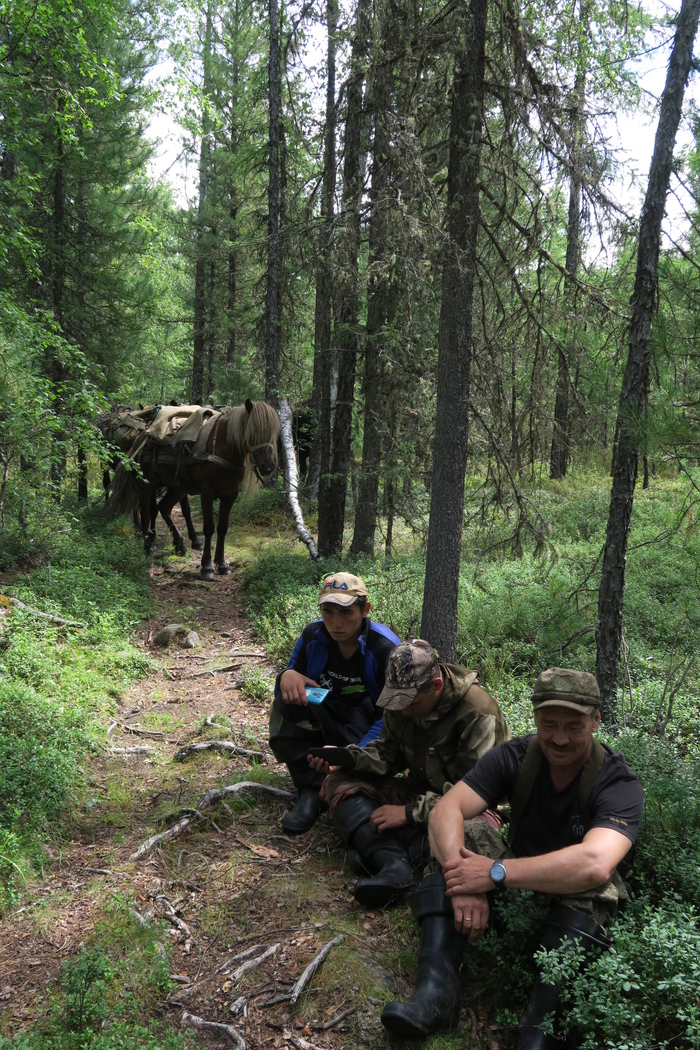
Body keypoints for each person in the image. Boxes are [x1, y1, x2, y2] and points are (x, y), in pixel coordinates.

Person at [381, 667, 644, 1047]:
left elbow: (594, 862)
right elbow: (445, 810)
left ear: (596, 721)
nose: (559, 738)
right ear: (535, 717)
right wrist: (464, 880)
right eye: (549, 723)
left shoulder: (618, 782)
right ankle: (436, 996)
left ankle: (540, 1031)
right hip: (515, 891)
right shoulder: (516, 756)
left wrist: (495, 873)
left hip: (569, 905)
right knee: (464, 834)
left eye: (574, 726)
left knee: (598, 885)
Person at [315, 640, 510, 908]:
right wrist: (349, 759)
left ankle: (377, 849)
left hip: (472, 806)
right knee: (338, 781)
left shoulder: (477, 713)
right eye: (398, 703)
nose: (404, 711)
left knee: (471, 835)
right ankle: (393, 864)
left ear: (437, 686)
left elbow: (476, 792)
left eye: (412, 704)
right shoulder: (402, 701)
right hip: (419, 791)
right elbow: (388, 754)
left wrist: (407, 814)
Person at [269, 572, 400, 834]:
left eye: (346, 613)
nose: (335, 623)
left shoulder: (385, 648)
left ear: (365, 610)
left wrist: (354, 755)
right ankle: (309, 786)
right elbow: (295, 683)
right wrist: (286, 676)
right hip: (329, 711)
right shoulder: (313, 636)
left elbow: (392, 717)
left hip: (368, 728)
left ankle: (340, 781)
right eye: (328, 612)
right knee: (289, 697)